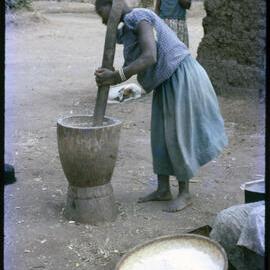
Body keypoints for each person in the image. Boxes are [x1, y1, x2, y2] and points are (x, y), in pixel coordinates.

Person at [94, 0, 228, 212]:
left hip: (180, 76)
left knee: (177, 134)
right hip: (165, 81)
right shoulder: (128, 26)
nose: (102, 20)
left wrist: (117, 76)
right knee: (161, 136)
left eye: (102, 13)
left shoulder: (138, 17)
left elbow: (150, 56)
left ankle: (184, 193)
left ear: (113, 6)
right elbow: (126, 46)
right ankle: (163, 188)